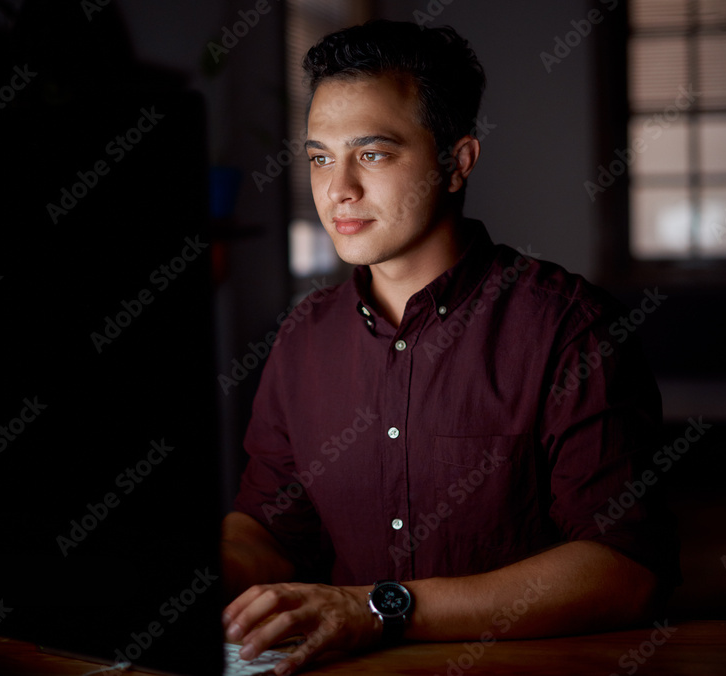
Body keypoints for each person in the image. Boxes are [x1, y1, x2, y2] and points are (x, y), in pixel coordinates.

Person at [220, 19, 680, 675]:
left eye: (372, 154)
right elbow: (270, 528)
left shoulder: (568, 327)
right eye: (320, 156)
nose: (337, 188)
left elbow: (629, 570)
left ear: (457, 162)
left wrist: (384, 609)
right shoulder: (304, 338)